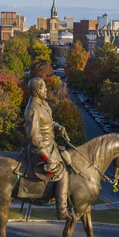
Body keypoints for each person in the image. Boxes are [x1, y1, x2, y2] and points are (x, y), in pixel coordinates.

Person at [25, 77, 71, 221]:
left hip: (51, 145)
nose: (46, 90)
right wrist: (48, 158)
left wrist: (58, 127)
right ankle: (61, 210)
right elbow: (34, 137)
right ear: (38, 90)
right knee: (62, 173)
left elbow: (48, 123)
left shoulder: (43, 104)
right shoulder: (33, 108)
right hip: (41, 149)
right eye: (44, 87)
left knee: (69, 160)